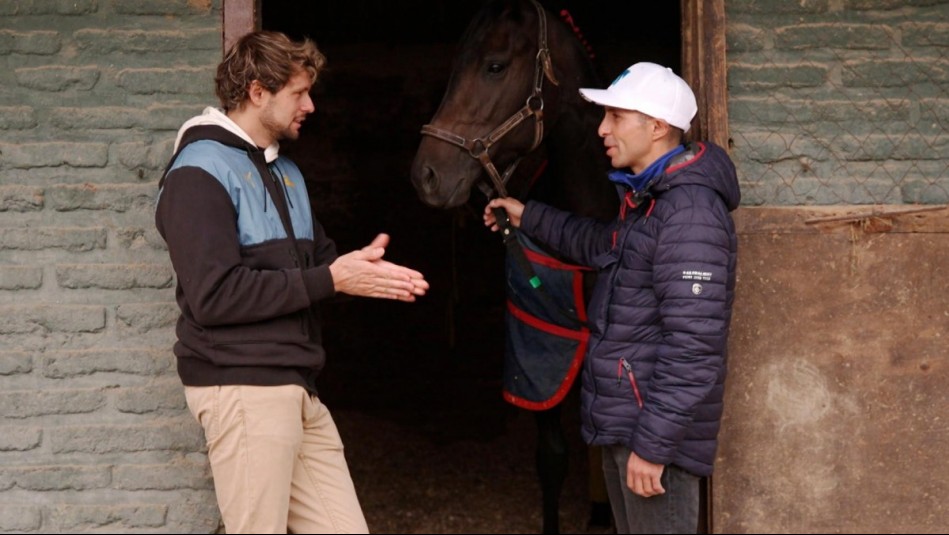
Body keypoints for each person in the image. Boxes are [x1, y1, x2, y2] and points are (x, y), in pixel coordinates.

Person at [155, 30, 429, 534]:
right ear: (258, 92)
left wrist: (363, 271)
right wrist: (331, 278)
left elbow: (321, 263)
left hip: (296, 388)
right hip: (242, 388)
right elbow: (215, 297)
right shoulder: (199, 174)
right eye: (299, 93)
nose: (311, 105)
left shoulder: (286, 174)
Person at [484, 62, 739, 534]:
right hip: (631, 422)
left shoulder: (690, 214)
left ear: (657, 126)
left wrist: (653, 446)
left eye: (616, 117)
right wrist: (528, 216)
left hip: (650, 433)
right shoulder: (653, 203)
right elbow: (602, 244)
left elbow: (694, 349)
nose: (602, 129)